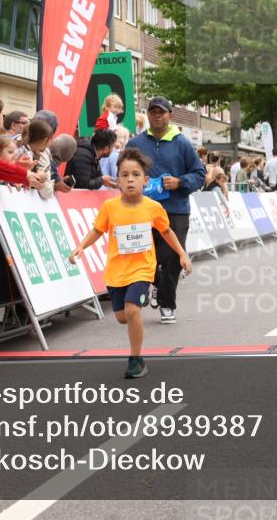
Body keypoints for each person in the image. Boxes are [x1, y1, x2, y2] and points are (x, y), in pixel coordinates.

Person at [69, 147, 192, 379]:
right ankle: (137, 304)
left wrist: (182, 254)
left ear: (145, 181)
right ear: (118, 181)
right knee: (122, 316)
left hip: (143, 269)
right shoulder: (110, 207)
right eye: (125, 175)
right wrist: (81, 246)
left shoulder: (153, 208)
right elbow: (97, 230)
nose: (130, 179)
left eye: (135, 175)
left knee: (132, 309)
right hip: (117, 271)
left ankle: (136, 359)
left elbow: (166, 232)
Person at [126, 96, 205, 324]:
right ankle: (158, 285)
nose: (157, 115)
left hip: (175, 209)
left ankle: (167, 304)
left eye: (161, 111)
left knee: (171, 256)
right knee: (143, 256)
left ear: (170, 115)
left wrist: (180, 182)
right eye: (153, 111)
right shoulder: (137, 144)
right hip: (143, 210)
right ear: (148, 115)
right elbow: (126, 170)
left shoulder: (182, 143)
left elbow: (199, 174)